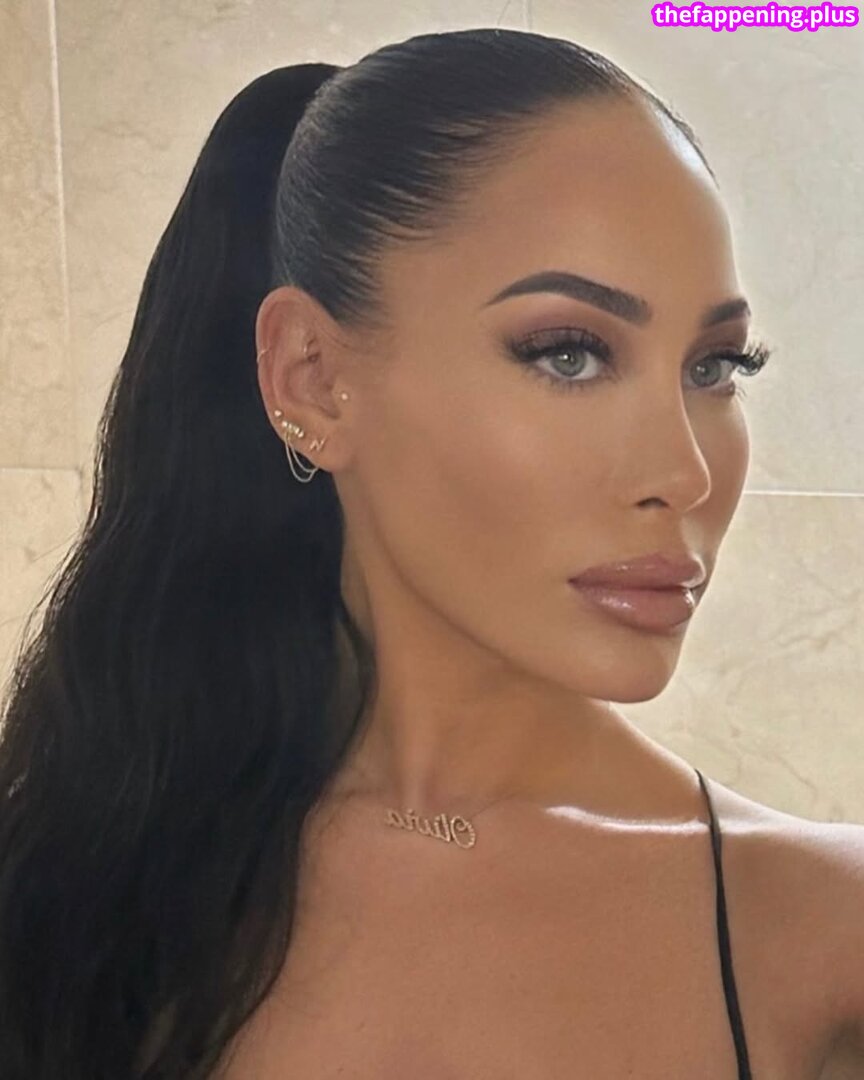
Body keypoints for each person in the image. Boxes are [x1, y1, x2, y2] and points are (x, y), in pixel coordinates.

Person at [0, 26, 862, 1080]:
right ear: (313, 379)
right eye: (570, 353)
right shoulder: (73, 873)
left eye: (716, 365)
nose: (684, 473)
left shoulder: (828, 940)